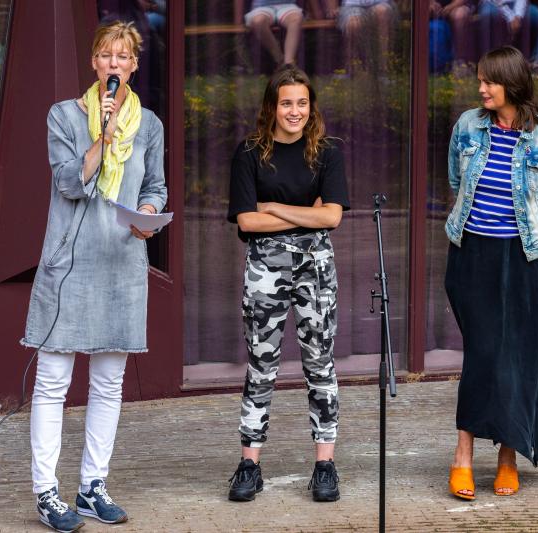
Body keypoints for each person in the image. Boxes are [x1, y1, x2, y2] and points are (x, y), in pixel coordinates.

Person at [21, 20, 167, 532]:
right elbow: (68, 182)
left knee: (108, 385)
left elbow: (156, 184)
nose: (114, 63)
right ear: (94, 62)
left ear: (133, 67)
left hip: (122, 262)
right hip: (70, 264)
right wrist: (101, 136)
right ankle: (46, 492)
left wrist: (149, 211)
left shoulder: (149, 125)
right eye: (106, 54)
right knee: (53, 382)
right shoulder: (64, 115)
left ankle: (91, 487)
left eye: (123, 56)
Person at [444, 46, 538, 500]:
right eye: (479, 80)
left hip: (523, 261)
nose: (480, 89)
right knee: (483, 352)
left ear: (511, 85)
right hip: (471, 255)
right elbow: (457, 182)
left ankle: (507, 456)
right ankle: (463, 453)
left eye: (488, 82)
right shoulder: (467, 126)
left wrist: (525, 233)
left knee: (514, 356)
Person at [226, 64, 350, 503]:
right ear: (272, 107)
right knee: (261, 364)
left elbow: (331, 216)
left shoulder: (328, 152)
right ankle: (249, 465)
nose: (294, 111)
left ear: (310, 106)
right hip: (265, 270)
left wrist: (274, 207)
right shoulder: (249, 152)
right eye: (286, 104)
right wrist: (305, 212)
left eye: (301, 103)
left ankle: (324, 464)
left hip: (316, 270)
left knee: (320, 363)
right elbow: (245, 219)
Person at [477, 1, 538, 70]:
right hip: (492, 4)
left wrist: (518, 16)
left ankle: (537, 63)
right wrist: (510, 17)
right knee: (489, 16)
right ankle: (489, 64)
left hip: (517, 6)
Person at [326, 0, 397, 74]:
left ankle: (383, 69)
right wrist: (332, 8)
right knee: (354, 24)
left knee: (382, 12)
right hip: (352, 5)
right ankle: (352, 69)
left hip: (382, 3)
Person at [244, 0, 304, 67]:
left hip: (288, 5)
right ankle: (280, 60)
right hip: (260, 6)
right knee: (258, 22)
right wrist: (238, 20)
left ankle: (289, 64)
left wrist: (317, 14)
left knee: (296, 19)